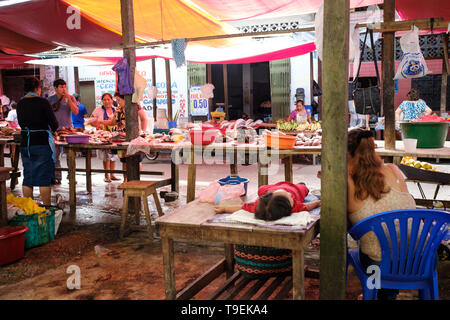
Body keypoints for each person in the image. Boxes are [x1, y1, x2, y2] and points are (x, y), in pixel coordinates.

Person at [346, 128, 416, 300]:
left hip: (378, 266)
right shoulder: (394, 170)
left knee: (373, 248)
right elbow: (405, 209)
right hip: (419, 261)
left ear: (348, 153)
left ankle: (379, 293)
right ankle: (388, 294)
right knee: (391, 245)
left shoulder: (348, 181)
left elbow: (348, 228)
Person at [16, 77, 58, 206]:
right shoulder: (43, 102)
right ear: (37, 88)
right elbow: (54, 124)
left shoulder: (20, 103)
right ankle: (46, 209)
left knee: (28, 177)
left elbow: (21, 123)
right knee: (43, 178)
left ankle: (30, 209)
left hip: (26, 144)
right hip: (41, 143)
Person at [214, 182, 321, 221]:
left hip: (275, 187)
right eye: (289, 197)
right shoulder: (296, 207)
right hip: (295, 188)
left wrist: (224, 208)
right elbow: (307, 206)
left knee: (261, 189)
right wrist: (317, 202)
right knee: (303, 187)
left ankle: (276, 190)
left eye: (287, 195)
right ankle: (302, 184)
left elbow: (241, 207)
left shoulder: (257, 205)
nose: (289, 194)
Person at [109, 92, 148, 181]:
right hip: (122, 139)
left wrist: (142, 132)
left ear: (125, 99)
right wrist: (100, 121)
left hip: (135, 138)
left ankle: (137, 180)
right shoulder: (118, 109)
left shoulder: (135, 106)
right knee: (124, 159)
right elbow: (113, 122)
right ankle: (126, 180)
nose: (117, 102)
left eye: (119, 100)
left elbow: (144, 118)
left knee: (136, 159)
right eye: (117, 100)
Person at [48, 79, 79, 184]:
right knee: (54, 154)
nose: (63, 89)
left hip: (68, 130)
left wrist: (69, 99)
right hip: (54, 131)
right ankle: (57, 177)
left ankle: (71, 176)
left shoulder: (71, 98)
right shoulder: (50, 99)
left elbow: (75, 111)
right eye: (61, 87)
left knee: (70, 154)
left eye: (64, 87)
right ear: (55, 88)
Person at [90, 92, 119, 182]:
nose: (106, 101)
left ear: (112, 100)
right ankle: (107, 175)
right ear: (102, 101)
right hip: (103, 136)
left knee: (114, 155)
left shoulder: (116, 110)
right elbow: (91, 120)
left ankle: (112, 174)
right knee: (106, 156)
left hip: (114, 136)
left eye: (108, 99)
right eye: (104, 100)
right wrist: (97, 125)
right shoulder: (98, 110)